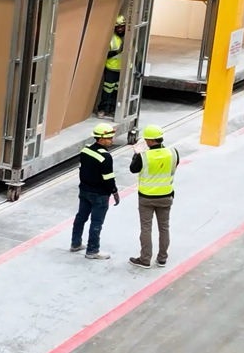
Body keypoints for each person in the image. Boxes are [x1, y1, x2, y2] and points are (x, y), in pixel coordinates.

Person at [128, 125, 180, 269]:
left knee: (146, 228)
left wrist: (136, 153)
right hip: (166, 196)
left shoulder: (143, 156)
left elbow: (133, 169)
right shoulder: (173, 152)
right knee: (164, 227)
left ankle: (145, 259)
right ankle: (162, 258)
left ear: (150, 141)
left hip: (147, 197)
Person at [71, 123, 121, 260]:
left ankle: (75, 243)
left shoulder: (85, 150)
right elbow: (108, 179)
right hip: (99, 194)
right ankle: (92, 250)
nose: (112, 140)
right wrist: (115, 192)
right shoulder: (105, 157)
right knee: (96, 222)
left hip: (84, 190)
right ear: (100, 139)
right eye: (109, 138)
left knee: (81, 217)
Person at [96, 16, 126, 117]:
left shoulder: (129, 36)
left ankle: (112, 109)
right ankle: (103, 109)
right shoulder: (111, 38)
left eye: (122, 26)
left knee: (116, 91)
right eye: (118, 27)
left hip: (123, 68)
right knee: (107, 90)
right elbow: (104, 54)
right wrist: (118, 51)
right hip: (111, 68)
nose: (120, 29)